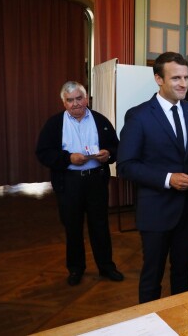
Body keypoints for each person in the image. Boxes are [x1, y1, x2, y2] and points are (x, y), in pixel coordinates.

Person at [117, 52, 188, 303]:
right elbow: (125, 165)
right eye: (176, 78)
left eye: (186, 78)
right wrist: (169, 178)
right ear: (158, 79)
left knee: (183, 272)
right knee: (152, 275)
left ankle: (180, 320)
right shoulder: (139, 116)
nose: (183, 84)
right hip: (156, 211)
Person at [36, 81, 123, 286]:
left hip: (96, 181)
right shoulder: (54, 124)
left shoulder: (100, 120)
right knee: (72, 228)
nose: (75, 104)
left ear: (86, 99)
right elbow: (43, 153)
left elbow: (115, 146)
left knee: (100, 226)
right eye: (70, 100)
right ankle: (76, 269)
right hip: (69, 183)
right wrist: (68, 159)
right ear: (63, 103)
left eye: (79, 98)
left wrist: (108, 154)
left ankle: (106, 267)